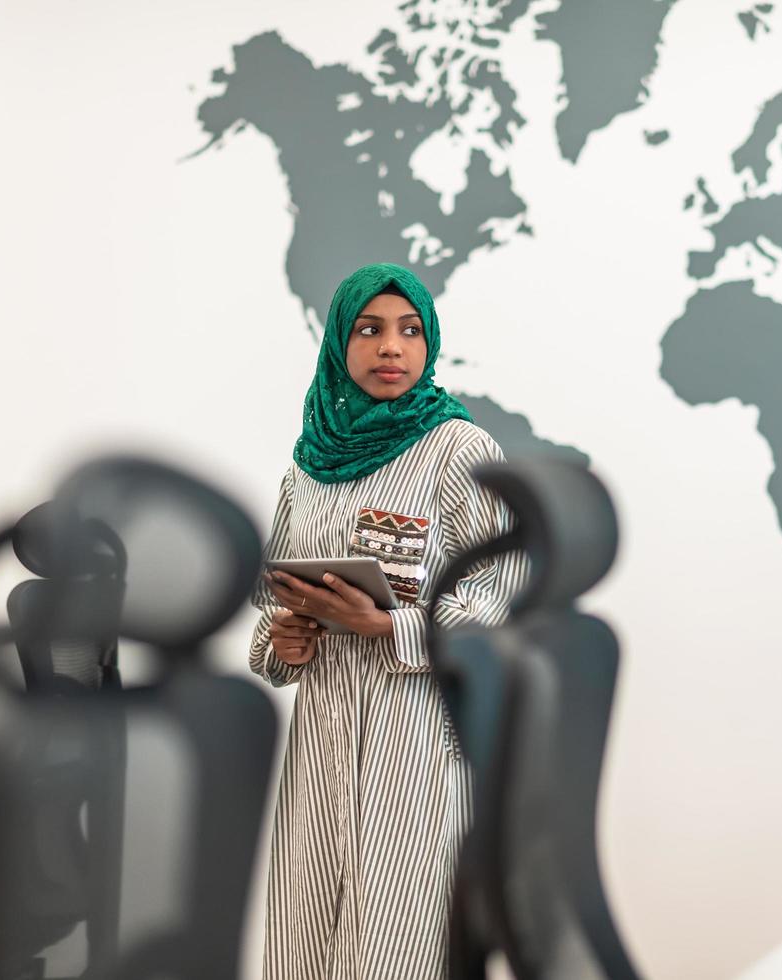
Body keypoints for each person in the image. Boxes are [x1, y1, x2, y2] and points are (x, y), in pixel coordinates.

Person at [249, 263, 526, 979]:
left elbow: (501, 603)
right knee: (303, 935)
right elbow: (278, 591)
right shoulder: (305, 469)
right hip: (320, 732)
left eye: (409, 331)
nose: (390, 348)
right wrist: (282, 639)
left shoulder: (458, 450)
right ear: (340, 342)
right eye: (369, 330)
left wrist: (391, 627)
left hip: (415, 733)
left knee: (399, 942)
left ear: (430, 344)